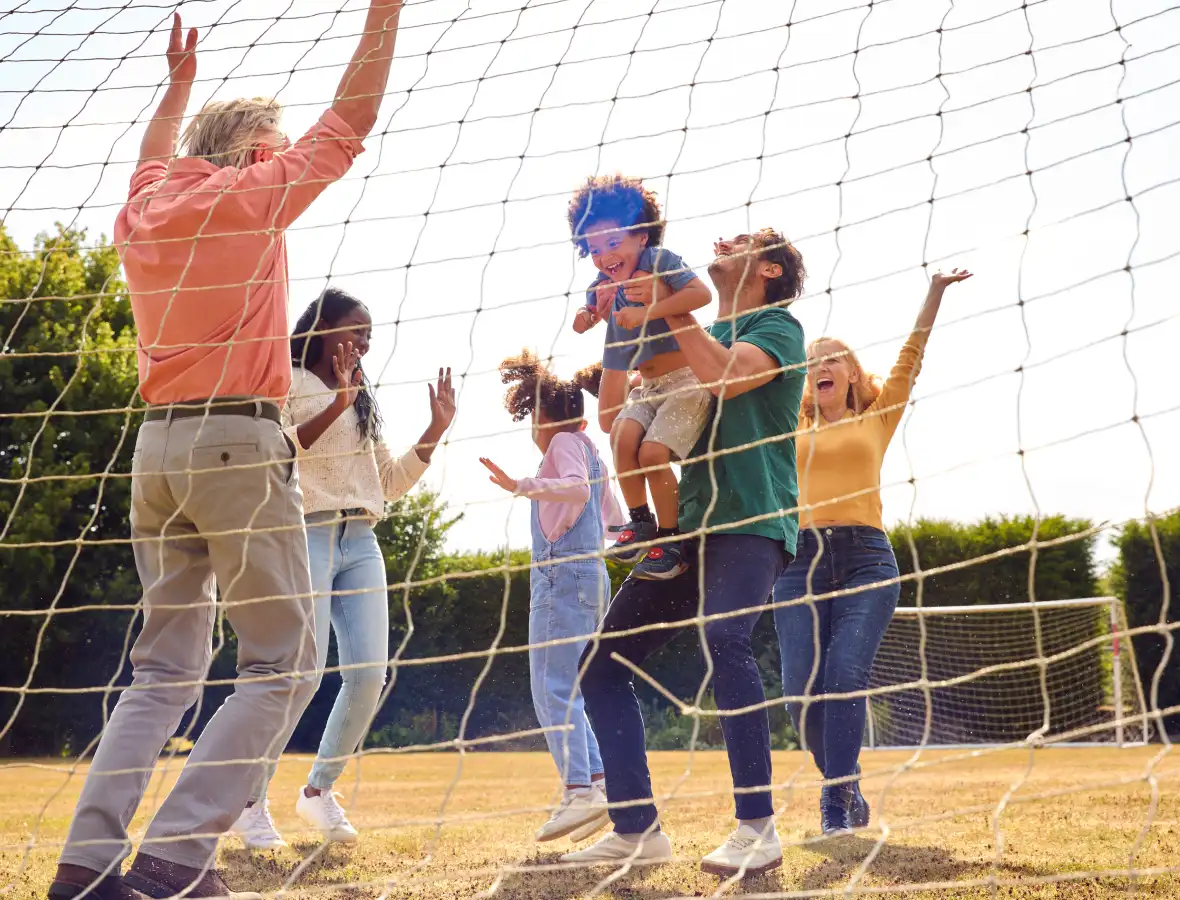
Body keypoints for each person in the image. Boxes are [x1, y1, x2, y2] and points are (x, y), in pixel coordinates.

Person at [49, 5, 404, 900]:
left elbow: (155, 152)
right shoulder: (255, 192)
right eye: (273, 143)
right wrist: (384, 15)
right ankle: (177, 855)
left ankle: (87, 865)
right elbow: (351, 120)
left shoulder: (144, 208)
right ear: (252, 151)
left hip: (157, 452)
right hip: (238, 443)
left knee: (162, 670)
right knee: (284, 663)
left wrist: (175, 89)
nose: (283, 153)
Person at [564, 230, 807, 878]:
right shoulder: (677, 339)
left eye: (745, 240)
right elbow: (617, 410)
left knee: (724, 637)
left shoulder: (777, 327)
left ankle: (758, 827)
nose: (724, 239)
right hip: (682, 532)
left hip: (750, 522)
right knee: (602, 666)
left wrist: (672, 307)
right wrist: (622, 327)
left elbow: (727, 380)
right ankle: (637, 829)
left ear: (771, 268)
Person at [229, 288, 455, 849]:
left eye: (370, 336)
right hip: (305, 534)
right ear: (322, 328)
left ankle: (318, 793)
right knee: (297, 673)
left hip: (361, 540)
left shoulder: (362, 400)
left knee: (369, 674)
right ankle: (248, 802)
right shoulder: (287, 381)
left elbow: (390, 484)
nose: (363, 342)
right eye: (355, 329)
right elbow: (277, 454)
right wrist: (337, 401)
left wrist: (435, 430)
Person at [773, 268, 972, 837]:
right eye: (814, 360)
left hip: (866, 559)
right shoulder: (786, 426)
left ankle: (834, 805)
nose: (822, 364)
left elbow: (911, 356)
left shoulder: (877, 416)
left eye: (834, 357)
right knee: (799, 693)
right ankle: (848, 780)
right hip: (798, 564)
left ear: (853, 373)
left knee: (843, 673)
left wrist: (933, 293)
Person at [478, 351, 624, 845]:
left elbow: (577, 492)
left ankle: (579, 790)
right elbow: (616, 521)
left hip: (562, 578)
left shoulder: (563, 444)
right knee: (573, 689)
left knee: (551, 689)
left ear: (538, 421)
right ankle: (599, 785)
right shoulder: (590, 447)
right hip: (590, 577)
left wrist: (522, 485)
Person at [568, 174, 713, 580]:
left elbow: (702, 296)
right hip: (646, 387)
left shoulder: (662, 262)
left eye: (614, 243)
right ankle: (640, 522)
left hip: (685, 379)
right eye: (595, 249)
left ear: (642, 237)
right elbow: (584, 321)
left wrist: (650, 310)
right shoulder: (603, 283)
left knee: (652, 454)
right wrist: (587, 316)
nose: (605, 256)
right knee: (621, 436)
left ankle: (671, 540)